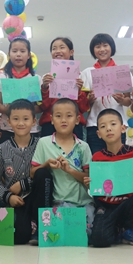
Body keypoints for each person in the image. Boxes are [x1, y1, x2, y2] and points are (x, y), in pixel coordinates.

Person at [85, 109, 133, 247]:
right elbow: (97, 192)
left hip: (128, 204)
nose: (108, 129)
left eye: (113, 124)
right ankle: (118, 229)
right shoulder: (97, 157)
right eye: (103, 126)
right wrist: (90, 185)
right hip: (107, 206)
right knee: (99, 240)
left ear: (123, 128)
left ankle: (128, 229)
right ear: (98, 134)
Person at [0, 99, 53, 245]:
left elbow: (48, 173)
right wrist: (8, 197)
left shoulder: (43, 145)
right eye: (16, 119)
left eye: (25, 119)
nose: (21, 123)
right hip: (17, 200)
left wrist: (24, 184)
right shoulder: (0, 150)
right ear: (8, 121)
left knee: (43, 173)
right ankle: (28, 225)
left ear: (34, 121)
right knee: (20, 237)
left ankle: (42, 225)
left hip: (38, 197)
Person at [31, 98, 94, 235]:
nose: (63, 120)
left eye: (69, 116)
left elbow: (89, 178)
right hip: (60, 202)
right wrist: (46, 165)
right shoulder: (44, 143)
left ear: (77, 120)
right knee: (65, 234)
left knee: (88, 234)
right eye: (58, 116)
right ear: (51, 119)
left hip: (84, 203)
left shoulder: (83, 146)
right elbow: (32, 173)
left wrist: (69, 170)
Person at [81, 33, 133, 154]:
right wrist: (90, 99)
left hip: (118, 124)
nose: (102, 49)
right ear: (93, 50)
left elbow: (128, 101)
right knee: (97, 159)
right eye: (98, 46)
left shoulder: (122, 71)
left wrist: (121, 100)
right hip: (94, 125)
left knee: (118, 158)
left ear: (112, 47)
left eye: (105, 45)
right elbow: (82, 104)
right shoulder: (87, 72)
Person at [0, 38, 43, 145]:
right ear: (9, 54)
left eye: (22, 51)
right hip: (7, 128)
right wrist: (10, 111)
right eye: (14, 51)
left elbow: (41, 106)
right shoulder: (2, 77)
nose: (18, 54)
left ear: (29, 55)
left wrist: (25, 112)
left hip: (31, 129)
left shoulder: (36, 79)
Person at [40, 37, 90, 139]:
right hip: (50, 123)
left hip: (74, 124)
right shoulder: (46, 78)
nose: (57, 51)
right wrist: (45, 88)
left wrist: (79, 91)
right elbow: (43, 107)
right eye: (54, 48)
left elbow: (84, 108)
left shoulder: (81, 76)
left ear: (71, 52)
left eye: (62, 47)